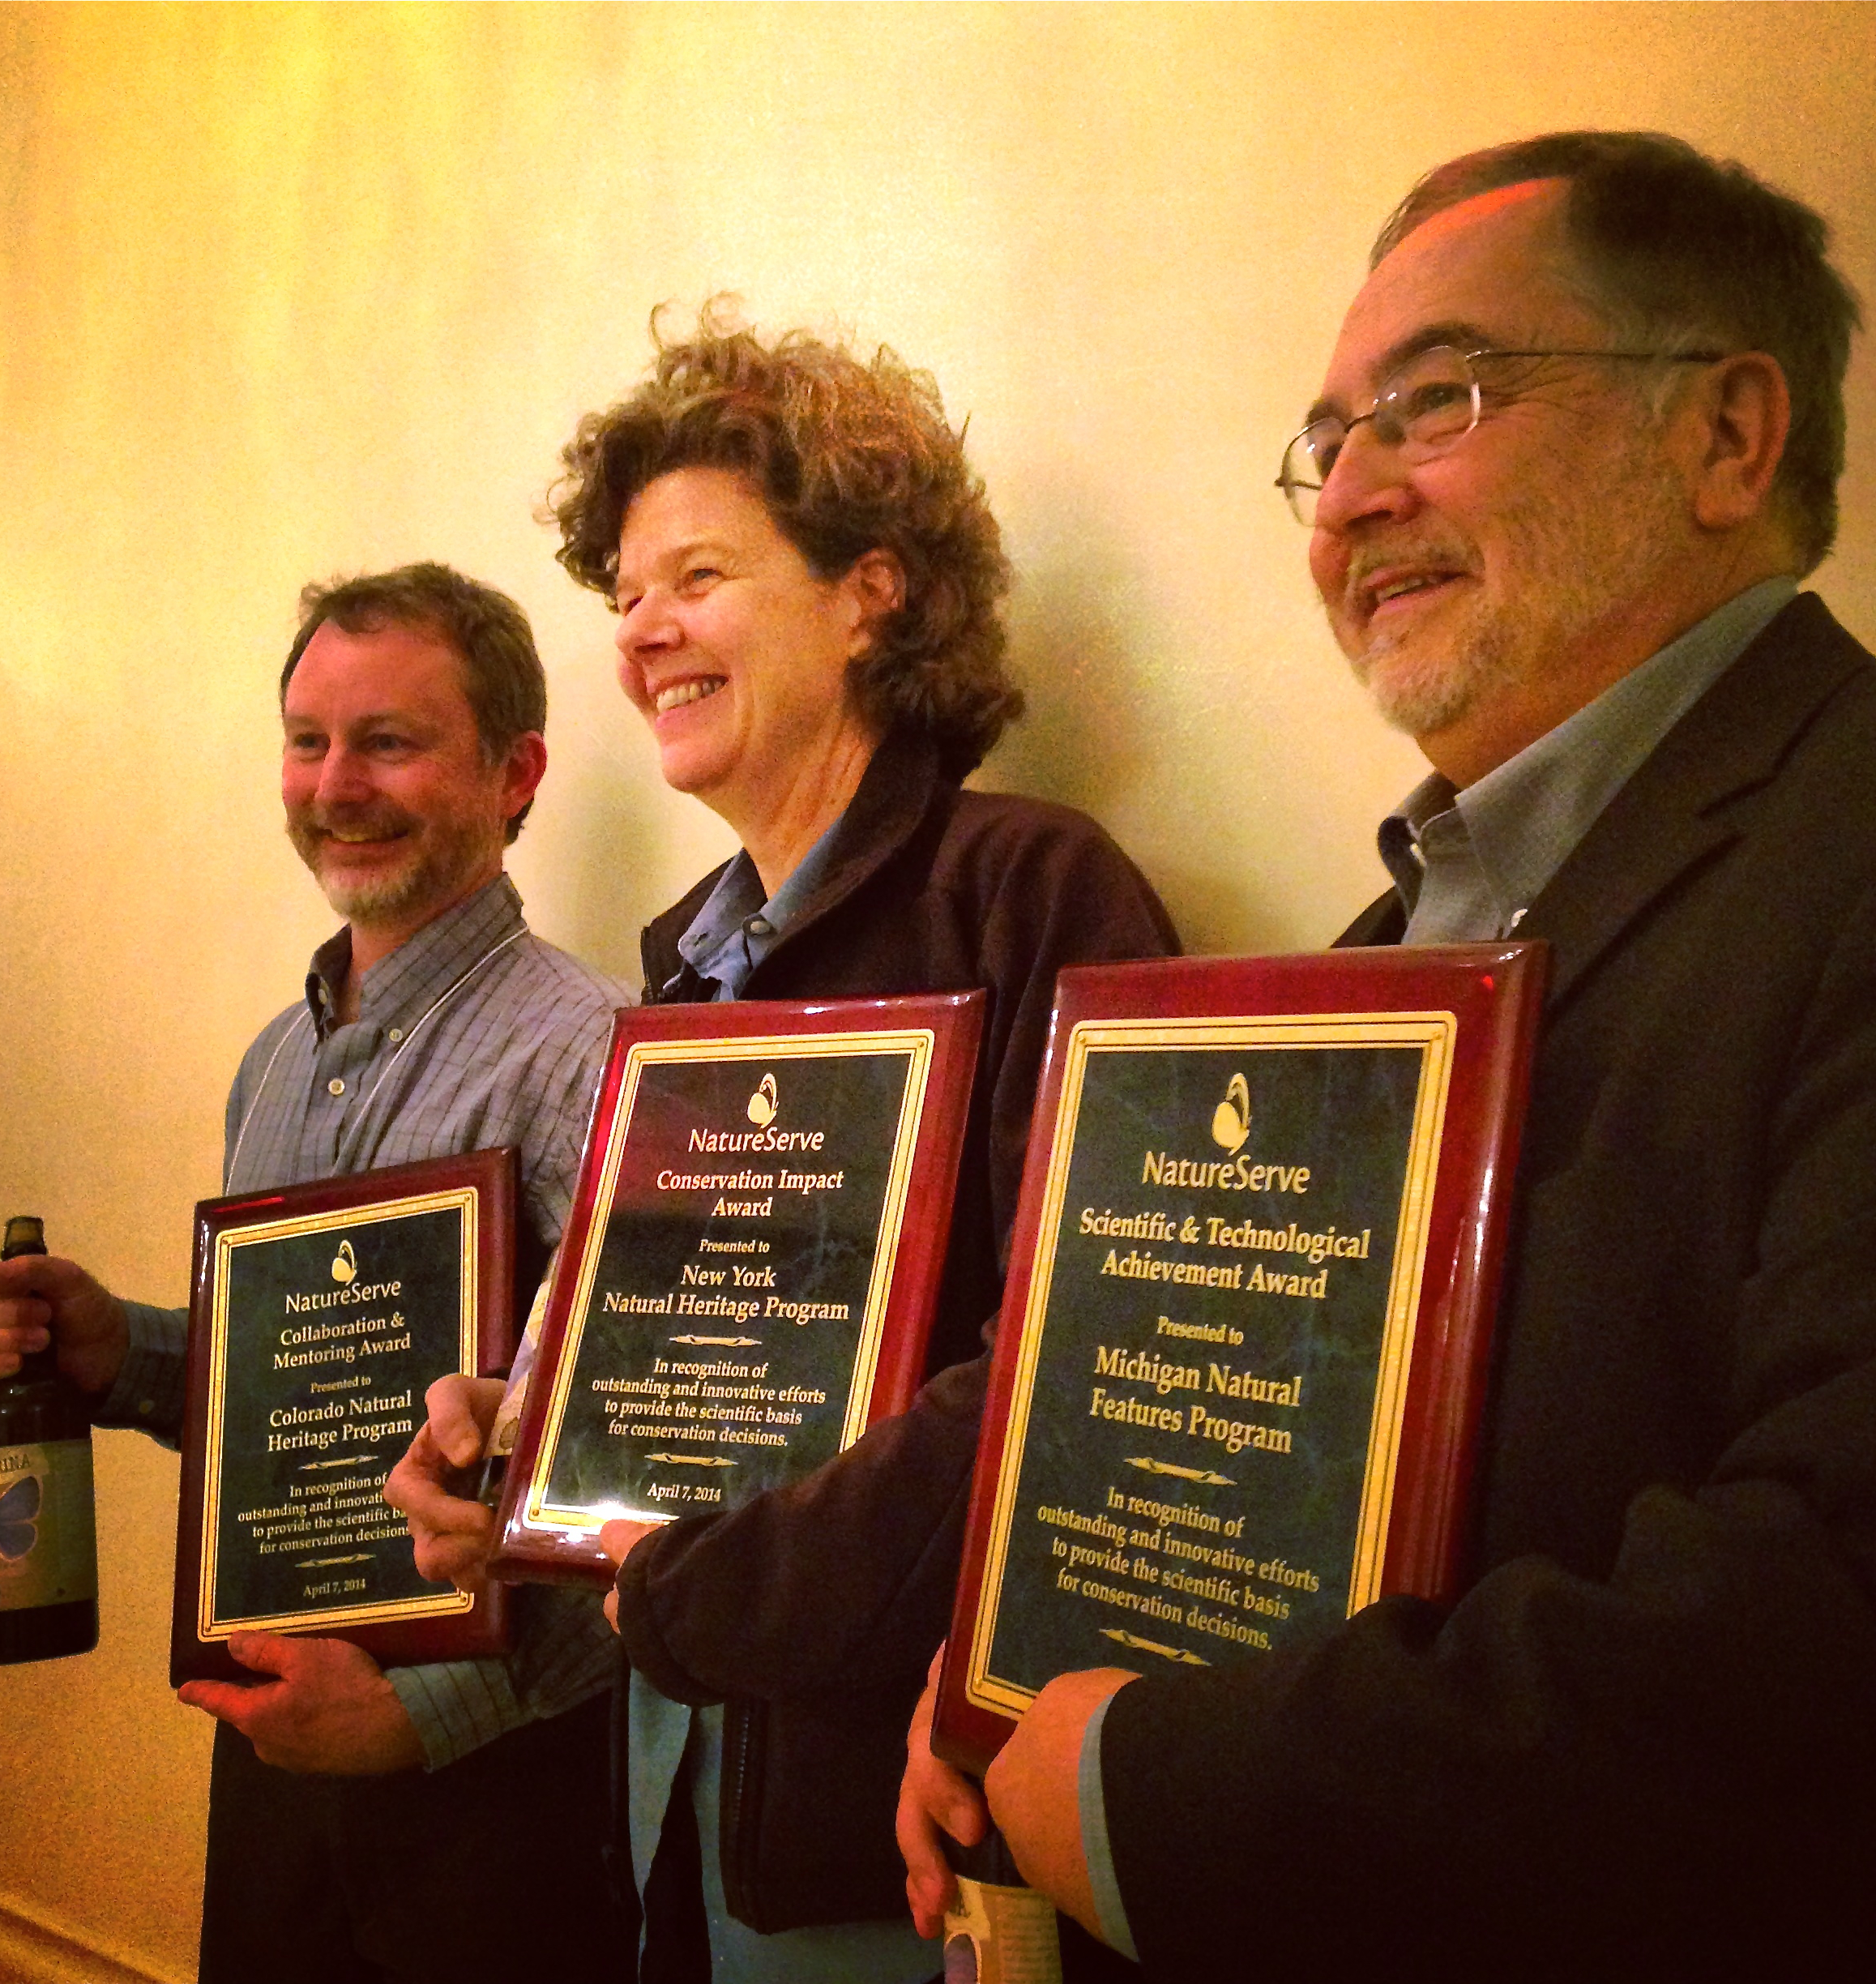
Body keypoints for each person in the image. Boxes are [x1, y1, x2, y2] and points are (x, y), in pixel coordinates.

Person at [898, 132, 1876, 1977]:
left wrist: (1143, 1785)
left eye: (1437, 401)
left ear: (1726, 438)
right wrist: (1002, 1679)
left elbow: (1842, 1618)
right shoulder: (1379, 957)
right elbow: (1200, 1455)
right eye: (1326, 439)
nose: (1344, 502)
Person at [388, 307, 1179, 1982]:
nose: (642, 632)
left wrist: (715, 1591)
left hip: (898, 1826)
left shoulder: (1029, 891)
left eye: (694, 577)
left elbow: (1092, 1365)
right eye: (624, 598)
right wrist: (527, 1456)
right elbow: (699, 1371)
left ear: (869, 590)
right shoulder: (687, 961)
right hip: (679, 1782)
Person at [0, 563, 634, 1984]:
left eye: (389, 741)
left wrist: (429, 1714)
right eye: (308, 740)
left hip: (493, 1794)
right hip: (268, 1741)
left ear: (516, 774)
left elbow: (645, 1474)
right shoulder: (275, 1060)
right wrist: (121, 1353)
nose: (337, 784)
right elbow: (289, 1404)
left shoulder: (596, 1058)